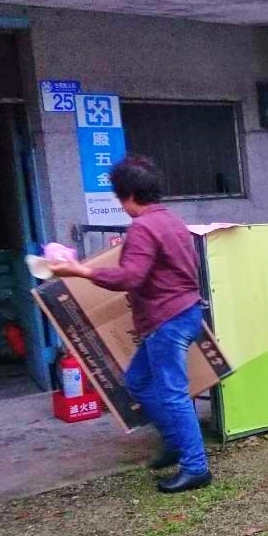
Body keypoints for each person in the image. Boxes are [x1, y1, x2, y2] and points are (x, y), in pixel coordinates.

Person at [47, 156, 212, 494]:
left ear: (129, 195)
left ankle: (196, 467)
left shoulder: (143, 227)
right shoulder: (172, 221)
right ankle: (176, 442)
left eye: (119, 196)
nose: (120, 205)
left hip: (167, 320)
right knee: (138, 381)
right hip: (184, 313)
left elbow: (130, 277)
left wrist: (80, 271)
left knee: (173, 394)